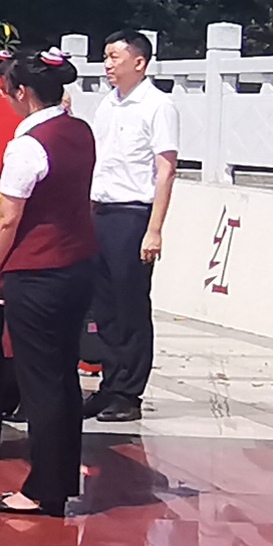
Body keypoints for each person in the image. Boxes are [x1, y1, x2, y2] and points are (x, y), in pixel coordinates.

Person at [0, 55, 102, 517]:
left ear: (23, 93)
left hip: (38, 273)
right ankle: (59, 480)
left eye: (6, 90)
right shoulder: (80, 130)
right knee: (63, 377)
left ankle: (43, 489)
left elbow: (8, 217)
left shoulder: (28, 145)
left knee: (41, 384)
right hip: (79, 265)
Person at [76, 36, 179, 424]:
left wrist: (155, 229)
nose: (108, 64)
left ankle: (128, 392)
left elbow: (166, 171)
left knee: (130, 304)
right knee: (104, 306)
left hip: (133, 215)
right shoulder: (108, 103)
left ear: (140, 62)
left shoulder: (158, 106)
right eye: (105, 57)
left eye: (115, 57)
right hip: (101, 212)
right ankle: (109, 384)